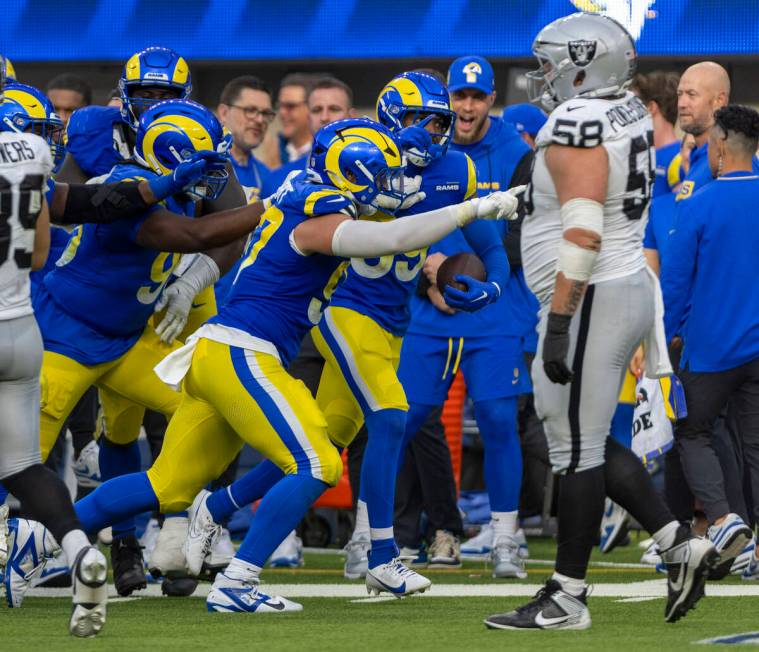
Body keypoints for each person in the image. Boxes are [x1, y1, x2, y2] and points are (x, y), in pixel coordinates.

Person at [13, 117, 522, 615]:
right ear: (354, 173)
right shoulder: (319, 213)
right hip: (244, 351)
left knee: (165, 485)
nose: (396, 185)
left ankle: (39, 545)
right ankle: (240, 580)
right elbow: (388, 240)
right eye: (384, 174)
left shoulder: (308, 191)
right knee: (318, 463)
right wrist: (471, 209)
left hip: (219, 352)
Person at [484, 13, 716, 631]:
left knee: (577, 448)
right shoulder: (627, 109)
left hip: (593, 294)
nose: (542, 77)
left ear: (583, 64)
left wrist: (559, 320)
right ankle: (676, 542)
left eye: (550, 64)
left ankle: (566, 597)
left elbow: (583, 229)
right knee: (574, 437)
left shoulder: (577, 119)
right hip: (622, 286)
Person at [3, 99, 269, 608]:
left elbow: (215, 231)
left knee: (214, 411)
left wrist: (199, 275)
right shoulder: (128, 188)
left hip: (126, 341)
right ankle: (22, 547)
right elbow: (194, 234)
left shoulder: (176, 186)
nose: (216, 175)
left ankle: (181, 520)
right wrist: (271, 205)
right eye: (206, 162)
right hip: (67, 338)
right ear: (171, 154)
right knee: (17, 461)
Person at [393, 57, 534, 576]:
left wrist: (465, 279)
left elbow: (525, 234)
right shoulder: (415, 152)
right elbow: (385, 233)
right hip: (425, 310)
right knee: (401, 422)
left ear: (490, 99)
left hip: (491, 307)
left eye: (476, 97)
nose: (467, 107)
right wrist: (428, 281)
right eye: (459, 97)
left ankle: (504, 537)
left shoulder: (516, 153)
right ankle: (375, 535)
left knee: (499, 420)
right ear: (447, 101)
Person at [0, 67, 108, 639]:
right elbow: (39, 253)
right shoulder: (33, 149)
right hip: (21, 327)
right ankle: (77, 549)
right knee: (21, 464)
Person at [661, 105, 758, 579]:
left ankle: (722, 519)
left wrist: (663, 337)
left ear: (719, 145)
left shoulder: (697, 202)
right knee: (756, 447)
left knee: (692, 432)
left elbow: (676, 285)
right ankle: (754, 549)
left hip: (709, 349)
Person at [217, 76, 275, 203]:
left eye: (265, 113)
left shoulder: (267, 176)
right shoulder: (205, 167)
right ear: (224, 113)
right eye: (250, 110)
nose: (260, 120)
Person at [631, 72, 682, 197]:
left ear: (651, 107)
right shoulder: (637, 155)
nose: (629, 112)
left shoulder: (682, 158)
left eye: (635, 105)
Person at [276, 73, 316, 166]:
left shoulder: (324, 155)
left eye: (290, 106)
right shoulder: (273, 154)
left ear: (311, 107)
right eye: (280, 105)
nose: (282, 112)